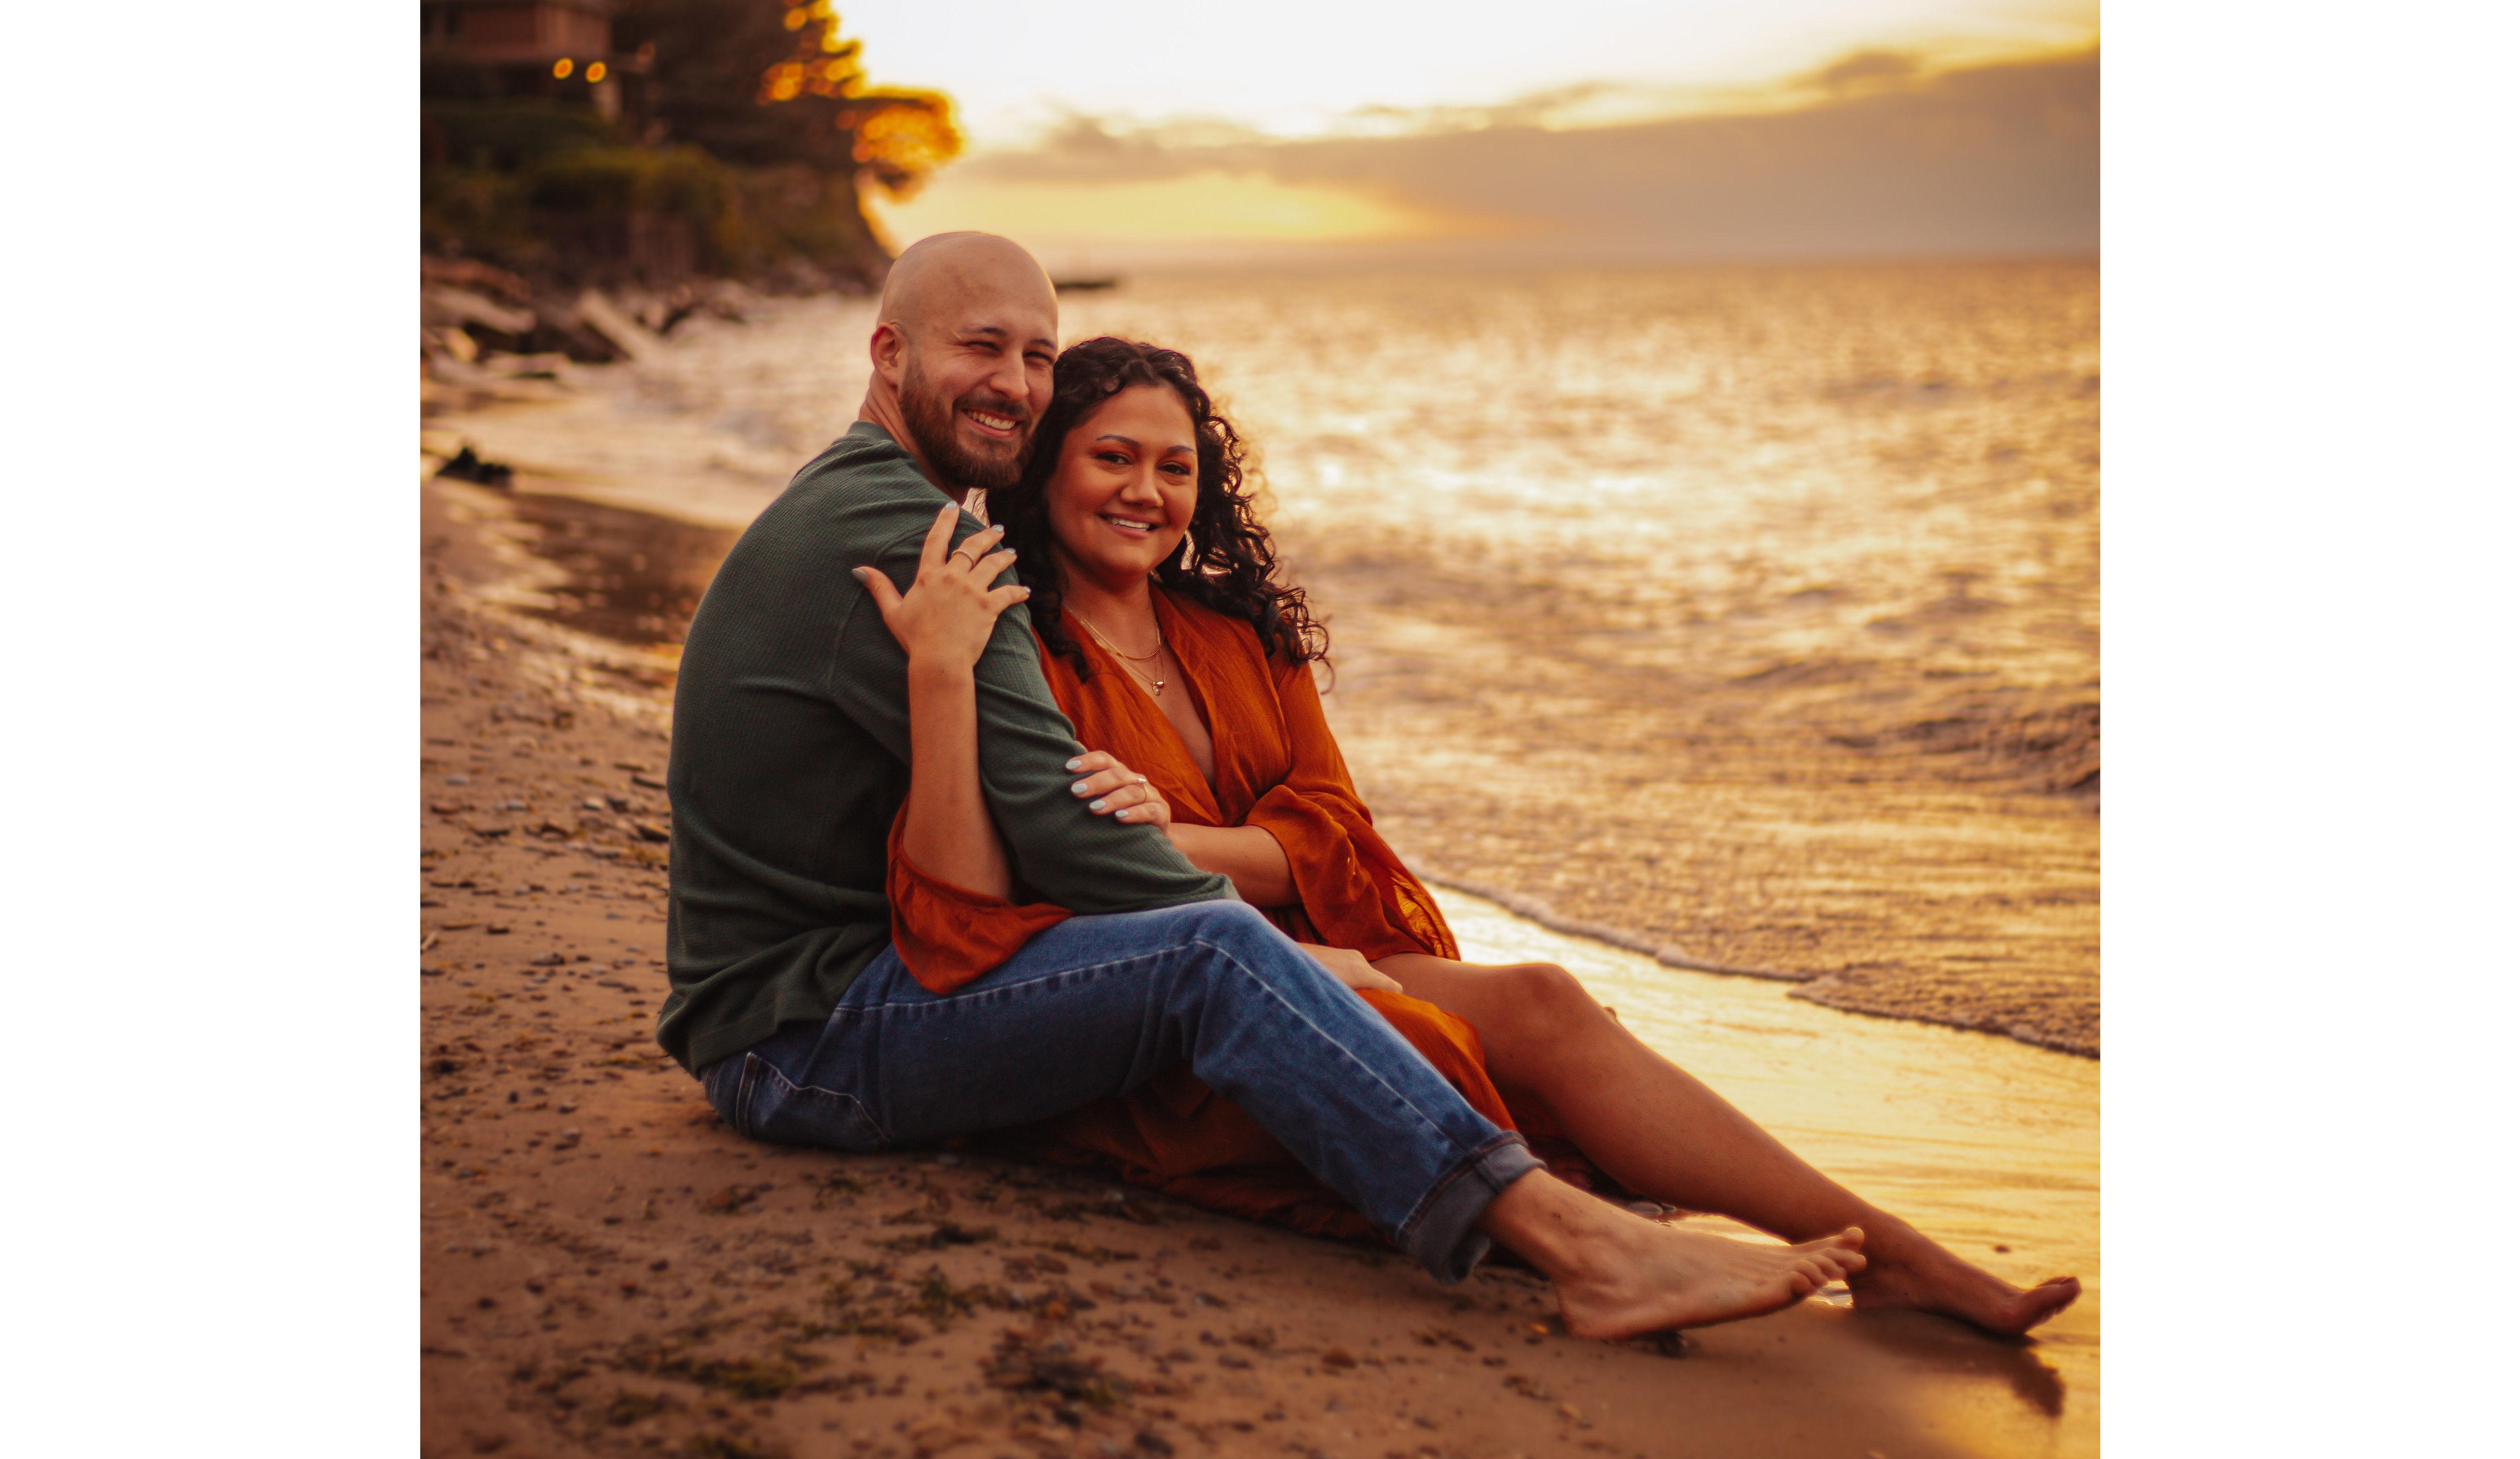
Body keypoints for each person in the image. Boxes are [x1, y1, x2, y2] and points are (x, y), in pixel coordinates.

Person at [660, 232, 1864, 1339]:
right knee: (1215, 954)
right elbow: (1056, 832)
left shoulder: (899, 505)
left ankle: (1766, 1234)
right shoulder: (893, 521)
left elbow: (1090, 834)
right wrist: (1296, 953)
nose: (1016, 383)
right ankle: (1581, 1247)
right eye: (982, 347)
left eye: (1037, 353)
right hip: (799, 1040)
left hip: (842, 996)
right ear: (889, 351)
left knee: (1304, 970)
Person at [863, 331, 2078, 1340]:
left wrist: (1193, 841)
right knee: (1419, 1025)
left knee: (1543, 995)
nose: (1145, 491)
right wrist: (1222, 869)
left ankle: (1899, 1253)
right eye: (1110, 457)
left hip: (1301, 934)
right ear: (1046, 471)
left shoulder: (1238, 632)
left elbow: (1332, 824)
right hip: (1186, 1001)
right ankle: (1584, 1240)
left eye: (1174, 467)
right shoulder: (1023, 645)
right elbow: (1051, 861)